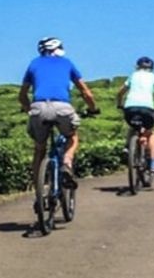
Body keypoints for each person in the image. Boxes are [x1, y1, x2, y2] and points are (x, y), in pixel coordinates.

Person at [20, 36, 101, 191]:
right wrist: (92, 108)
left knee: (39, 148)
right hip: (62, 107)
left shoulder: (34, 63)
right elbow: (86, 93)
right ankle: (66, 162)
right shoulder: (67, 63)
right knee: (72, 136)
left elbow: (22, 95)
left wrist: (28, 109)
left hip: (38, 107)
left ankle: (38, 189)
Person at [117, 56, 154, 176]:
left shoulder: (133, 75)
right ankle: (153, 163)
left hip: (130, 108)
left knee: (133, 126)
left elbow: (120, 92)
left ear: (137, 66)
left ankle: (128, 146)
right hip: (147, 110)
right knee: (151, 132)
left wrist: (119, 103)